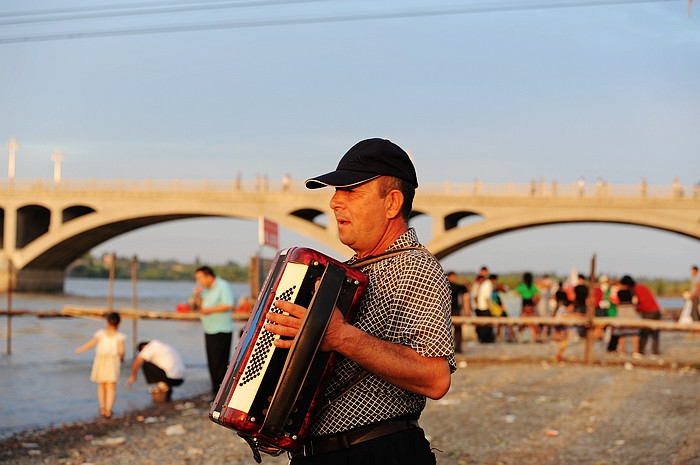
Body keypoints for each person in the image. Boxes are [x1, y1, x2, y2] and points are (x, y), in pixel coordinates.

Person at [265, 138, 455, 464]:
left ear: (392, 203)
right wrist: (275, 418)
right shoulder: (345, 273)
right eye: (335, 192)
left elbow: (435, 378)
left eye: (351, 191)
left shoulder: (415, 267)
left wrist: (340, 336)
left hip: (376, 452)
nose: (334, 202)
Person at [193, 265, 235, 398]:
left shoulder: (222, 286)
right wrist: (197, 296)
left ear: (208, 276)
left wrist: (209, 310)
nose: (198, 281)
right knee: (212, 364)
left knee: (220, 365)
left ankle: (221, 395)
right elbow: (201, 307)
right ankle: (214, 393)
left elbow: (229, 305)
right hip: (209, 330)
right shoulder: (206, 290)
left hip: (221, 330)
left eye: (199, 278)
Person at [75, 311, 126, 418]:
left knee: (101, 385)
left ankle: (102, 408)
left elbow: (91, 344)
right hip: (113, 361)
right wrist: (122, 359)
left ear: (106, 323)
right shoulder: (119, 337)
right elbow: (121, 351)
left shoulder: (101, 333)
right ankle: (109, 409)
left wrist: (81, 349)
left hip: (101, 360)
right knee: (111, 387)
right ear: (119, 324)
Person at [633, 280, 662, 357]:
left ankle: (641, 351)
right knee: (654, 332)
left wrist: (638, 309)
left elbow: (639, 302)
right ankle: (655, 352)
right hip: (656, 310)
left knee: (644, 332)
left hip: (649, 312)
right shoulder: (642, 286)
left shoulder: (635, 290)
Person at [515, 272, 540, 343]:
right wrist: (535, 301)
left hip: (524, 307)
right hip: (531, 306)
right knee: (533, 324)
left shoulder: (522, 286)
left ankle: (520, 339)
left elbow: (515, 293)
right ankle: (535, 339)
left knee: (522, 324)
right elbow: (538, 295)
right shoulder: (533, 286)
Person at [447, 271, 468, 352]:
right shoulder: (455, 286)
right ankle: (458, 348)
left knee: (448, 330)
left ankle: (450, 348)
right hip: (454, 310)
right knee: (458, 330)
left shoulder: (444, 286)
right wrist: (463, 280)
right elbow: (466, 288)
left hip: (448, 310)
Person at [474, 273, 495, 343]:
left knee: (483, 324)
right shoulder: (488, 285)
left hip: (480, 307)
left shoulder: (484, 284)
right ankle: (486, 340)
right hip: (484, 307)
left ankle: (483, 339)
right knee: (486, 325)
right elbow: (487, 297)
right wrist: (489, 307)